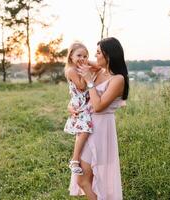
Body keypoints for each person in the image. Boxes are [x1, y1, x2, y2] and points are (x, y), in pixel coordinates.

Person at [69, 37, 129, 200]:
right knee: (84, 179)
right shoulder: (99, 72)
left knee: (89, 178)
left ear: (108, 55)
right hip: (87, 126)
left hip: (101, 129)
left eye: (97, 53)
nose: (94, 57)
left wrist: (89, 81)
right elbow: (84, 98)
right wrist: (70, 106)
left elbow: (98, 106)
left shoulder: (118, 79)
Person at [64, 42, 102, 175]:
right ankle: (74, 160)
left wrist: (86, 63)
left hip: (84, 102)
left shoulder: (83, 66)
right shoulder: (71, 70)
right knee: (84, 131)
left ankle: (77, 158)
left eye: (85, 56)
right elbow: (81, 86)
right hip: (79, 104)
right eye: (79, 55)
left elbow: (98, 67)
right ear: (71, 57)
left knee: (82, 132)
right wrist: (86, 76)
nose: (82, 58)